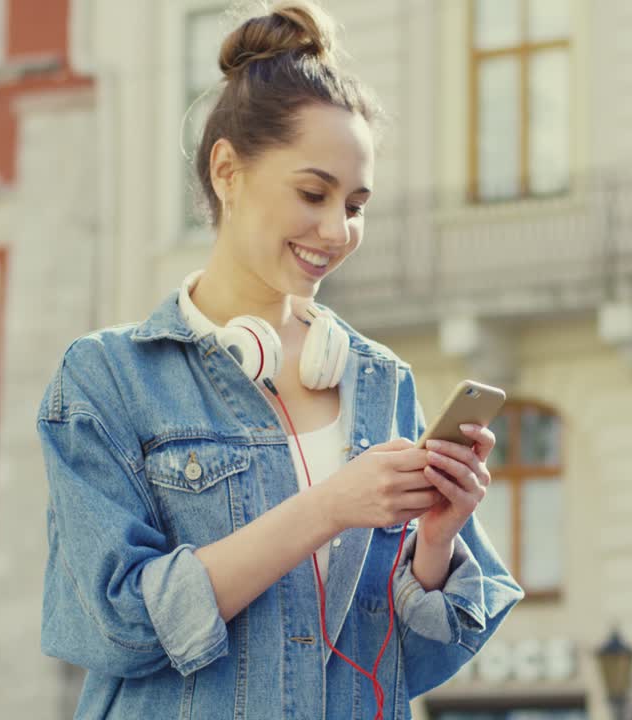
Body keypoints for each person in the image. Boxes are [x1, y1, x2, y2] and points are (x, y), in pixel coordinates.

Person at [37, 2, 523, 717]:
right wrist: (329, 507)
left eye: (355, 204)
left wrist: (439, 541)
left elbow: (408, 664)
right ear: (227, 170)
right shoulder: (107, 379)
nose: (337, 230)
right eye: (312, 193)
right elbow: (119, 621)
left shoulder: (378, 380)